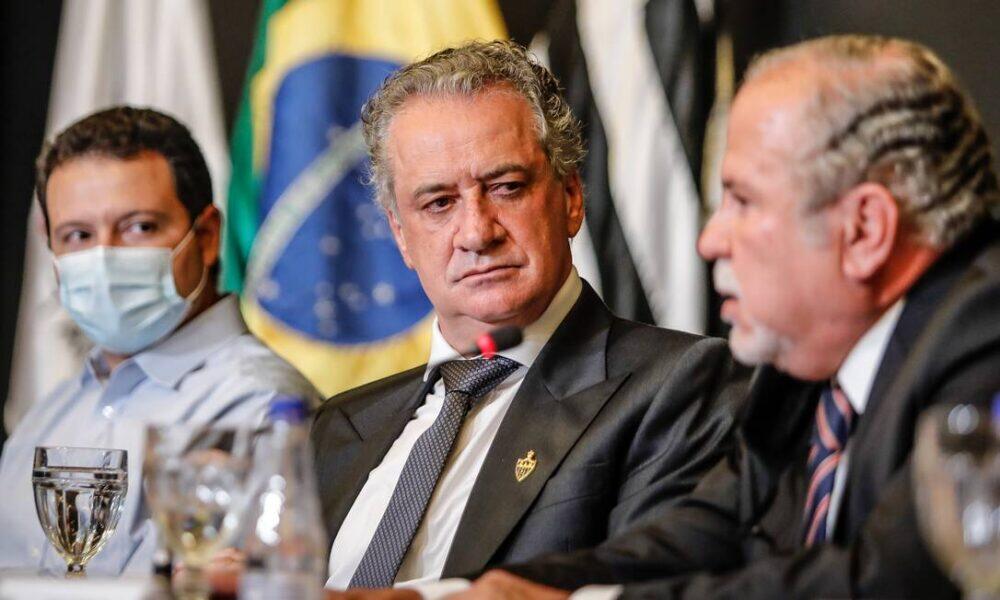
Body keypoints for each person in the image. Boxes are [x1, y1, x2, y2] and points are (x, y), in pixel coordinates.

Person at [455, 34, 1000, 599]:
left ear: (864, 230)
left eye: (743, 201)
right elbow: (696, 540)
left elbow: (894, 583)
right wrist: (447, 595)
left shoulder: (985, 333)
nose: (710, 240)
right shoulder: (805, 365)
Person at [311, 40, 749, 593]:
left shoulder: (682, 384)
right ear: (401, 235)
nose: (477, 232)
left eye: (506, 187)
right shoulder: (337, 426)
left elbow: (652, 583)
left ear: (570, 198)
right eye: (439, 203)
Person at [0, 106, 318, 576]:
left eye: (139, 227)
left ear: (206, 237)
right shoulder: (47, 415)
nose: (104, 257)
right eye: (78, 234)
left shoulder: (265, 407)